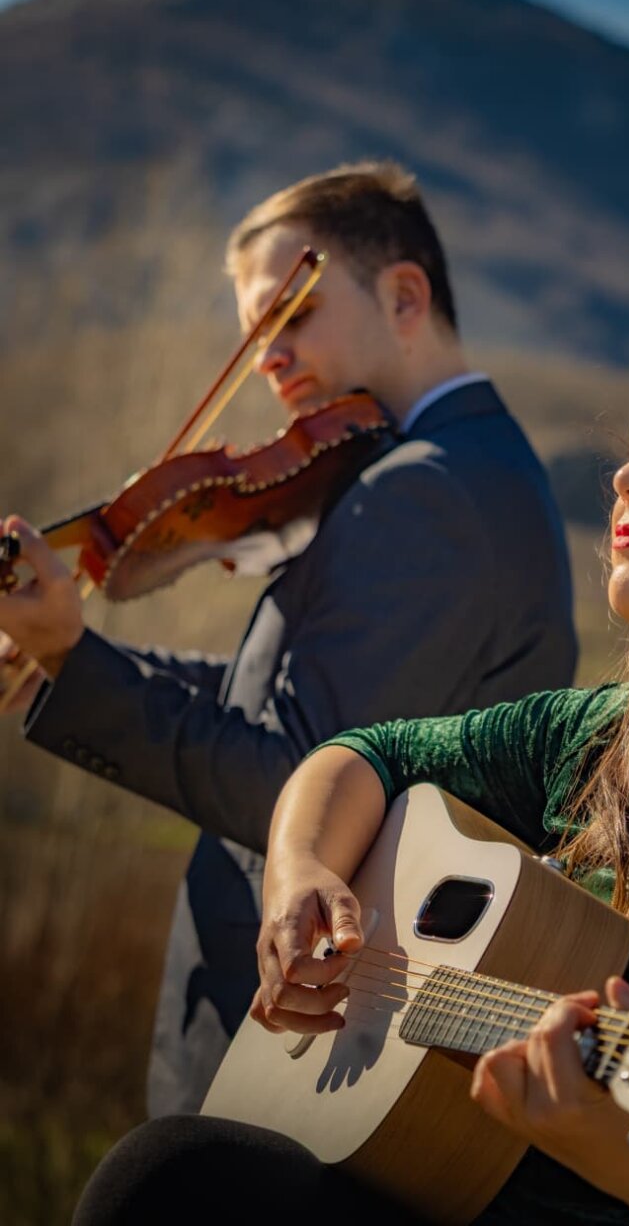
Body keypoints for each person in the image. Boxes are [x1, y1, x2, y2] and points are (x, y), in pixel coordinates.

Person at [73, 299, 629, 1225]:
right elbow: (363, 754)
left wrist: (618, 1146)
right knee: (179, 1173)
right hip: (482, 1186)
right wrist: (299, 876)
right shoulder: (597, 737)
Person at [0, 160, 578, 1115]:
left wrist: (77, 660)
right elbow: (276, 696)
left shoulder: (425, 491)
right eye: (254, 337)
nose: (268, 358)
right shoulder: (450, 471)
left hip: (293, 1042)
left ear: (403, 296)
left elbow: (294, 773)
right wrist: (71, 661)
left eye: (290, 316)